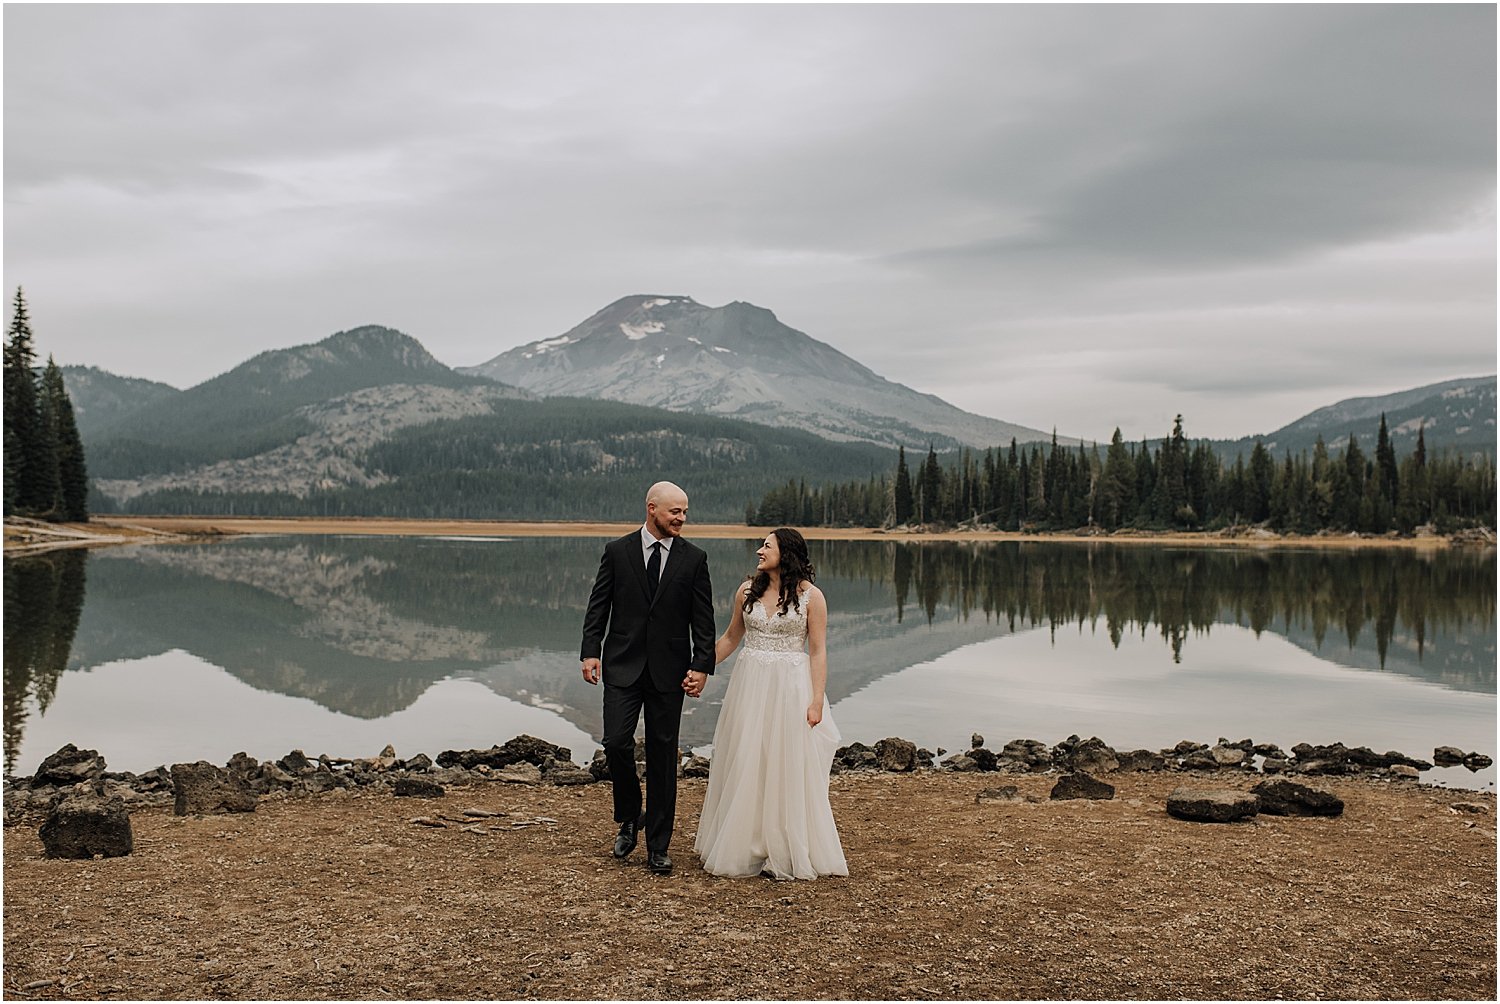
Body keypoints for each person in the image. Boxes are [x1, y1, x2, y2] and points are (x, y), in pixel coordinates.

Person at [694, 527, 847, 880]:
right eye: (761, 545)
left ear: (787, 553)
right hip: (749, 685)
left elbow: (819, 650)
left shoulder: (812, 598)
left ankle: (784, 845)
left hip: (790, 686)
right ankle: (747, 843)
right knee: (748, 756)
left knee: (784, 760)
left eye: (767, 546)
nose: (759, 551)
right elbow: (732, 638)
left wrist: (817, 701)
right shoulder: (746, 591)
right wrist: (699, 668)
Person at [580, 481, 716, 876]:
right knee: (615, 742)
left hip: (669, 672)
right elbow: (598, 606)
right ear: (652, 508)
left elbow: (702, 620)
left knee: (662, 756)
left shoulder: (694, 559)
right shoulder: (617, 552)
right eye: (675, 512)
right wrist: (590, 651)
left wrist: (701, 664)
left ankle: (658, 844)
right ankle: (628, 815)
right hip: (621, 665)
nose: (682, 519)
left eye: (685, 512)